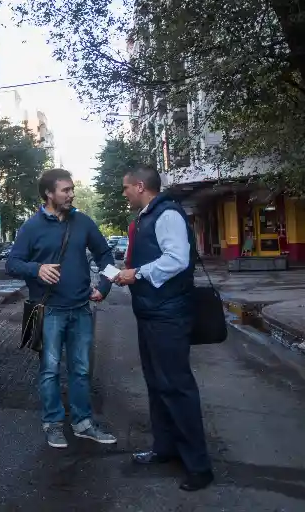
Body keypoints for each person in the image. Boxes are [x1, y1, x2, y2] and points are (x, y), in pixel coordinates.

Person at [111, 164, 214, 491]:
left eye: (126, 187)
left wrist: (137, 273)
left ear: (140, 186)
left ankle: (199, 466)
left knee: (177, 386)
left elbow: (177, 260)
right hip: (152, 314)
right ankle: (165, 448)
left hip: (169, 314)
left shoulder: (166, 214)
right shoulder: (146, 217)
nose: (124, 193)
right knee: (157, 384)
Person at [5, 168, 117, 448]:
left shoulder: (83, 222)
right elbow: (12, 264)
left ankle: (83, 423)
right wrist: (37, 269)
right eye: (65, 190)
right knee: (50, 369)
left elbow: (105, 255)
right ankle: (53, 423)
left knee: (80, 370)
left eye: (71, 189)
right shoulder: (31, 227)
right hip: (49, 311)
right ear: (48, 194)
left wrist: (104, 286)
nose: (71, 194)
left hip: (81, 309)